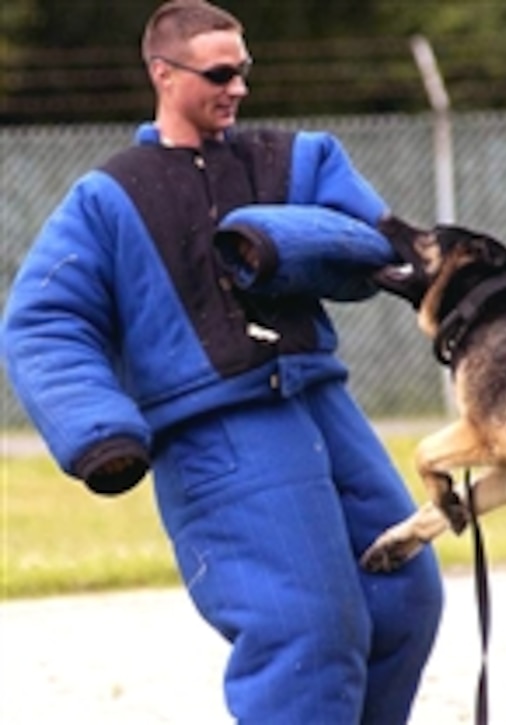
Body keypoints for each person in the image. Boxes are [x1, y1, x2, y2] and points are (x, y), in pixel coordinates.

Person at [1, 1, 444, 722]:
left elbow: (380, 247)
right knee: (305, 628)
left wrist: (274, 241)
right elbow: (43, 317)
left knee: (404, 598)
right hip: (216, 434)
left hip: (320, 401)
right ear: (163, 74)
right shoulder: (108, 199)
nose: (238, 86)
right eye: (219, 72)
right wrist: (101, 428)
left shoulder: (299, 160)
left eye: (244, 69)